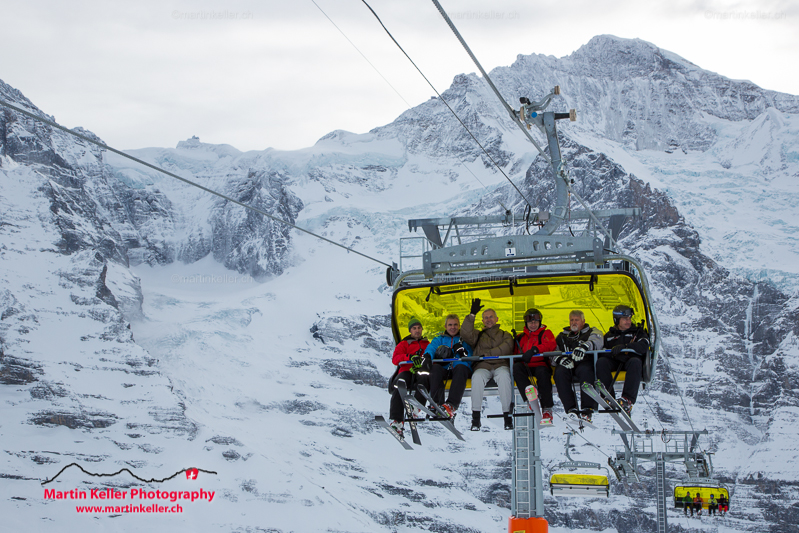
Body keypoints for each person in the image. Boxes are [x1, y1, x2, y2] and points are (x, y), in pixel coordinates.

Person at [460, 299, 514, 431]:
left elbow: (507, 347)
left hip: (500, 364)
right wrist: (472, 315)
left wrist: (487, 354)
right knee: (477, 378)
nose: (488, 320)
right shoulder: (478, 335)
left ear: (496, 319)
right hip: (483, 366)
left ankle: (507, 415)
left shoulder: (505, 334)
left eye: (491, 317)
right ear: (483, 321)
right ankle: (476, 417)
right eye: (486, 318)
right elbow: (465, 334)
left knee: (504, 377)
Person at [596, 304, 650, 417]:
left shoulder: (637, 332)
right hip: (615, 361)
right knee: (601, 362)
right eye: (625, 319)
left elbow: (644, 345)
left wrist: (626, 346)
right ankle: (607, 395)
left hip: (630, 361)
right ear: (617, 320)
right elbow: (603, 351)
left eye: (629, 318)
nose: (628, 321)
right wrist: (614, 354)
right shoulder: (609, 336)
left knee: (635, 362)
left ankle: (627, 399)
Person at [552, 310, 603, 423]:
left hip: (584, 362)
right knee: (559, 373)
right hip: (568, 363)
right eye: (572, 320)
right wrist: (560, 359)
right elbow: (553, 351)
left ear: (583, 321)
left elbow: (598, 340)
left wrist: (585, 347)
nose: (574, 322)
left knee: (586, 372)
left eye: (577, 320)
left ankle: (587, 409)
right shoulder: (562, 336)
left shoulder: (591, 332)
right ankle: (571, 409)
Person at [512, 308, 557, 425]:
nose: (533, 324)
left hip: (540, 364)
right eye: (530, 322)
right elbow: (515, 353)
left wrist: (534, 350)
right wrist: (518, 358)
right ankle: (529, 398)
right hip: (525, 365)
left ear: (539, 322)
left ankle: (547, 408)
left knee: (543, 374)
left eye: (535, 322)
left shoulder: (545, 333)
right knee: (516, 368)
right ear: (526, 323)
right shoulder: (521, 337)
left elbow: (551, 345)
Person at [388, 318, 431, 437]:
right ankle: (397, 420)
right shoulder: (404, 344)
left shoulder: (427, 344)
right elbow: (395, 359)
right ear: (410, 330)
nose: (417, 331)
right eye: (414, 328)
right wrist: (409, 357)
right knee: (399, 384)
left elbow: (431, 354)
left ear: (422, 329)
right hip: (407, 370)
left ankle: (416, 406)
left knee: (424, 378)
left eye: (418, 328)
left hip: (421, 370)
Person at [425, 314, 473, 418]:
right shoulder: (439, 339)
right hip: (445, 367)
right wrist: (428, 356)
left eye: (455, 325)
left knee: (461, 368)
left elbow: (471, 353)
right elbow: (432, 347)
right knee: (435, 369)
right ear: (445, 326)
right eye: (450, 325)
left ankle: (451, 405)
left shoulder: (464, 339)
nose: (453, 327)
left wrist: (463, 352)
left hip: (460, 368)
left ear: (459, 326)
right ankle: (436, 403)